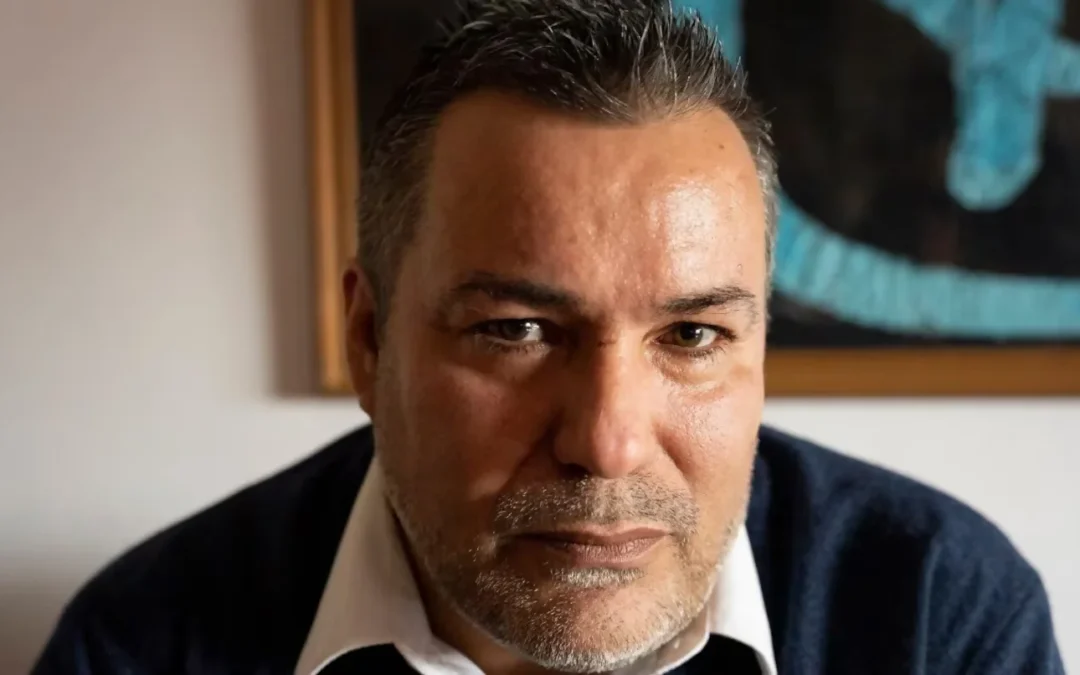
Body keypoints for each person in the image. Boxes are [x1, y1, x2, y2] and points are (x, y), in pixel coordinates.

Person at [33, 1, 1063, 673]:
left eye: (692, 334)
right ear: (368, 339)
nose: (607, 442)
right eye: (517, 329)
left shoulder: (938, 614)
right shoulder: (143, 641)